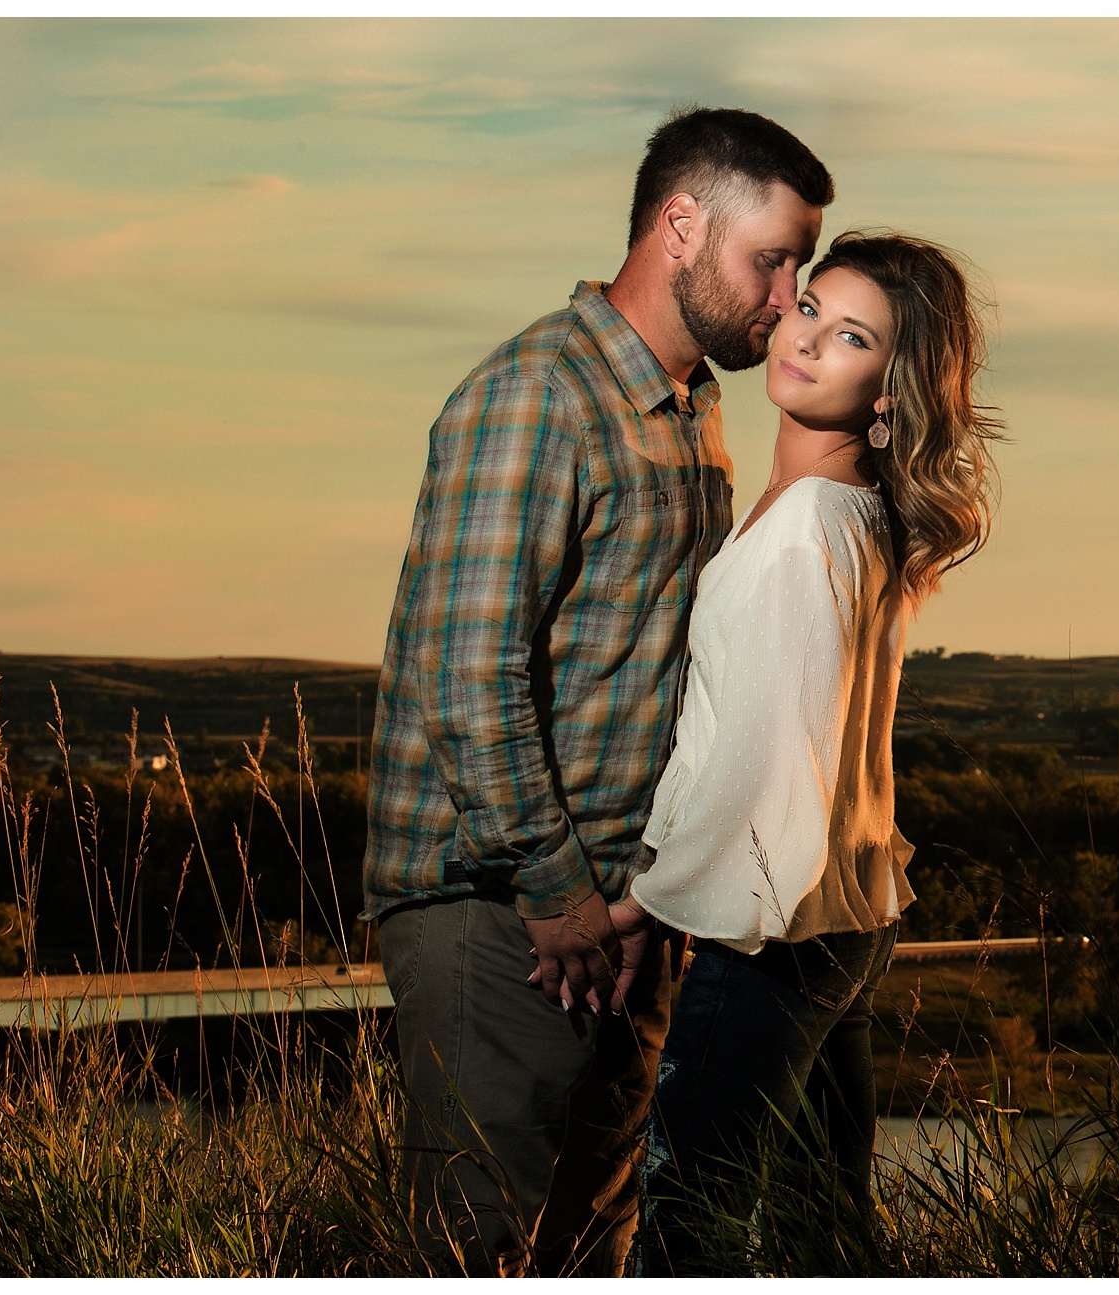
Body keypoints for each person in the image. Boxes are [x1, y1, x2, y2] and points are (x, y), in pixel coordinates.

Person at [360, 106, 832, 1276]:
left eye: (799, 267)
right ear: (681, 224)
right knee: (474, 1251)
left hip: (617, 918)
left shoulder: (693, 409)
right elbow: (468, 675)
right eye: (769, 258)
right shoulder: (537, 396)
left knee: (591, 1251)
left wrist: (642, 896)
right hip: (501, 911)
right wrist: (559, 891)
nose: (787, 297)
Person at [625, 231, 1003, 1275]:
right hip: (840, 919)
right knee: (824, 1232)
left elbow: (762, 766)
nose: (806, 341)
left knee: (690, 1221)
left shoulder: (806, 534)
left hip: (773, 939)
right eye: (809, 310)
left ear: (890, 388)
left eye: (852, 338)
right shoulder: (847, 514)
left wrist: (642, 897)